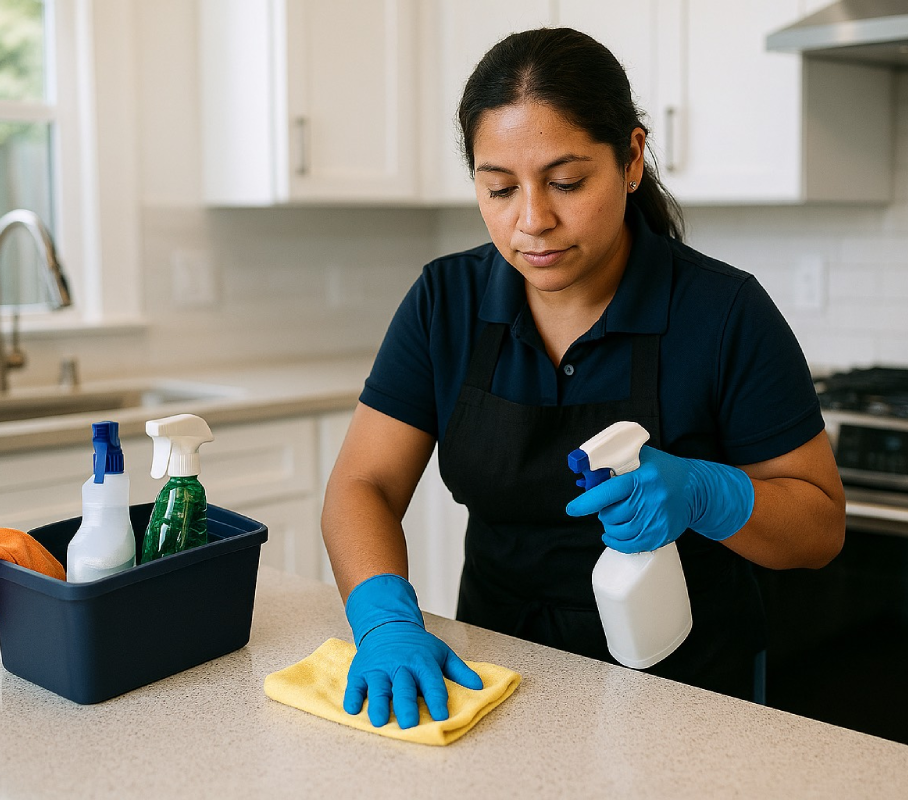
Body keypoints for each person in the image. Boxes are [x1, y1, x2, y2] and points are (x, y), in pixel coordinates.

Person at [321, 27, 846, 730]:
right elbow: (364, 485)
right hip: (494, 677)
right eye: (500, 187)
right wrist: (384, 620)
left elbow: (819, 528)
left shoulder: (724, 314)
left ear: (630, 158)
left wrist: (710, 494)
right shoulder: (445, 302)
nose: (533, 220)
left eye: (566, 182)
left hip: (689, 694)